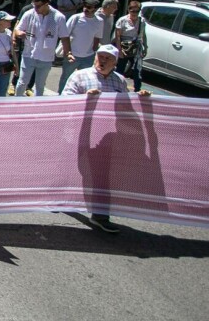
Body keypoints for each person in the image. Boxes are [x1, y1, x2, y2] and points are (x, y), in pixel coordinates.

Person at [62, 43, 152, 234]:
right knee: (77, 170)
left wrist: (140, 98)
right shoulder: (79, 76)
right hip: (81, 133)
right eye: (100, 56)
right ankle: (59, 196)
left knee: (101, 175)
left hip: (107, 137)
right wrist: (85, 98)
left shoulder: (119, 81)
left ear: (115, 62)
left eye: (107, 58)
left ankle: (100, 216)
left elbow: (126, 107)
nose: (102, 61)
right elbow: (64, 102)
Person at [14, 0, 71, 97]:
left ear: (47, 4)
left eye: (38, 6)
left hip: (46, 57)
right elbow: (17, 29)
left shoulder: (58, 17)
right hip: (29, 54)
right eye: (34, 5)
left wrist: (68, 53)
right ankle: (16, 103)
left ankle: (37, 107)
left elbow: (64, 37)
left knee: (40, 85)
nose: (35, 8)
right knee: (22, 82)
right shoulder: (29, 14)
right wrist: (19, 33)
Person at [57, 0, 104, 93]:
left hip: (88, 56)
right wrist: (68, 52)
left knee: (85, 79)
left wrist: (94, 52)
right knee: (66, 77)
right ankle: (61, 96)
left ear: (95, 9)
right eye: (85, 7)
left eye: (89, 8)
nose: (85, 9)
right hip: (72, 55)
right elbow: (65, 35)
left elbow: (97, 37)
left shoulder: (99, 21)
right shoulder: (76, 18)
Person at [115, 0, 147, 92]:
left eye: (137, 11)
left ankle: (137, 89)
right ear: (129, 10)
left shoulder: (142, 21)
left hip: (136, 49)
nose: (134, 13)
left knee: (137, 70)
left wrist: (145, 46)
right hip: (125, 48)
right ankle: (117, 87)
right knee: (120, 69)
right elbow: (117, 36)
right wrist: (119, 50)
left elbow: (143, 34)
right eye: (132, 11)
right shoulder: (122, 20)